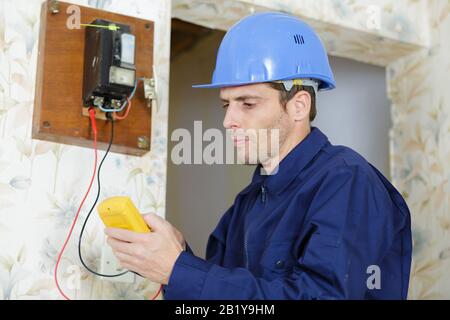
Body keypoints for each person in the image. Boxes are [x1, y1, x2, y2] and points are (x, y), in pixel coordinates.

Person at [105, 12, 412, 299]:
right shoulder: (246, 205)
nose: (228, 121)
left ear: (298, 105)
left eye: (248, 103)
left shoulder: (346, 181)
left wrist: (180, 270)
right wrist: (176, 257)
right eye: (227, 104)